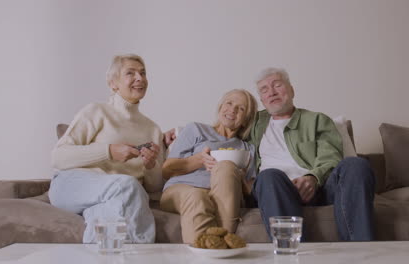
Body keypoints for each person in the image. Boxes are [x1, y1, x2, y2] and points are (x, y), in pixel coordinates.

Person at [247, 68, 375, 241]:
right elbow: (225, 131)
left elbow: (330, 156)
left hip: (318, 188)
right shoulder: (254, 123)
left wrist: (313, 178)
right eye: (264, 90)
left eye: (277, 85)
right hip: (274, 189)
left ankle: (360, 253)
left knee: (356, 164)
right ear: (261, 99)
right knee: (269, 176)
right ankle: (293, 256)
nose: (271, 92)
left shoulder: (317, 120)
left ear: (291, 90)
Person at [49, 54, 165, 243]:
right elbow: (58, 158)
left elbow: (154, 187)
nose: (140, 78)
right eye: (130, 73)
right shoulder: (97, 112)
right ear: (113, 83)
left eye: (143, 73)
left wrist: (150, 166)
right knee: (127, 185)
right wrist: (109, 151)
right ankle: (144, 254)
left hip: (116, 195)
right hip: (72, 185)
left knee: (107, 213)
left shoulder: (152, 129)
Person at [160, 89, 258, 243]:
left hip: (222, 195)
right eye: (229, 103)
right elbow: (166, 170)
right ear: (221, 107)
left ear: (245, 120)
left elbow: (249, 191)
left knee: (226, 166)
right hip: (182, 190)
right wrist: (199, 160)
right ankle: (217, 247)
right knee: (197, 197)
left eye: (241, 108)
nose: (232, 110)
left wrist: (238, 177)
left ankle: (219, 243)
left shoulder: (247, 149)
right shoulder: (195, 129)